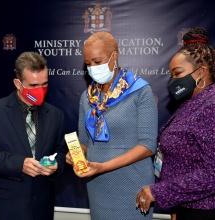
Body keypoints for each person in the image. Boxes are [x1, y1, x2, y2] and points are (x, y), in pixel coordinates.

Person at [66, 31, 158, 219]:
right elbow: (85, 142)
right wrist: (76, 155)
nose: (92, 68)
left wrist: (104, 166)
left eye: (97, 61)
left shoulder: (140, 91)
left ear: (113, 57)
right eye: (88, 64)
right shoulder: (87, 97)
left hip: (133, 185)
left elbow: (148, 146)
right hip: (98, 186)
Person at [136, 27, 215, 220]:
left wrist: (160, 192)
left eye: (178, 73)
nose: (173, 81)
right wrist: (175, 204)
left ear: (201, 72)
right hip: (186, 206)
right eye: (171, 75)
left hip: (206, 211)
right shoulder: (192, 103)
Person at [0, 51, 67, 220]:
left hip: (41, 209)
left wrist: (56, 165)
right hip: (4, 210)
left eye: (44, 84)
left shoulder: (56, 115)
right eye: (33, 85)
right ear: (18, 83)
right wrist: (19, 164)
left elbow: (61, 152)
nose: (40, 90)